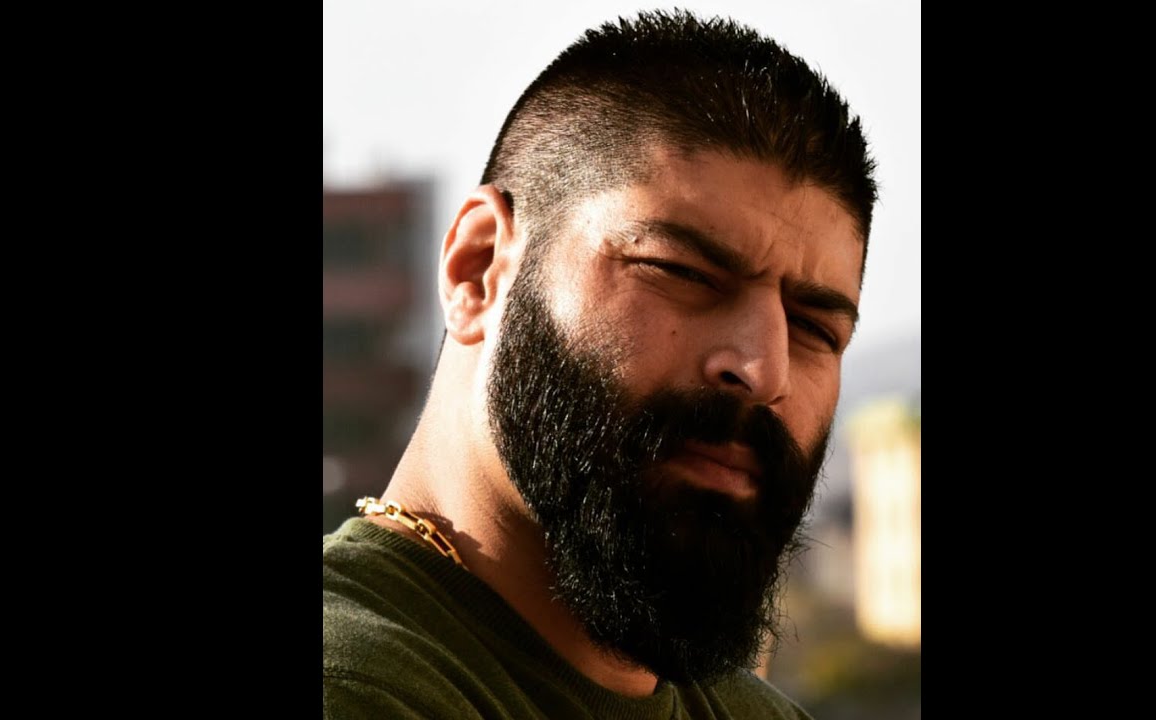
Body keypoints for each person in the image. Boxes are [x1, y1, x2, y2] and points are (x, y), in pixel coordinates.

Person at [323, 8, 877, 719]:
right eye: (681, 272)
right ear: (479, 269)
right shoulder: (357, 688)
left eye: (814, 328)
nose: (763, 369)